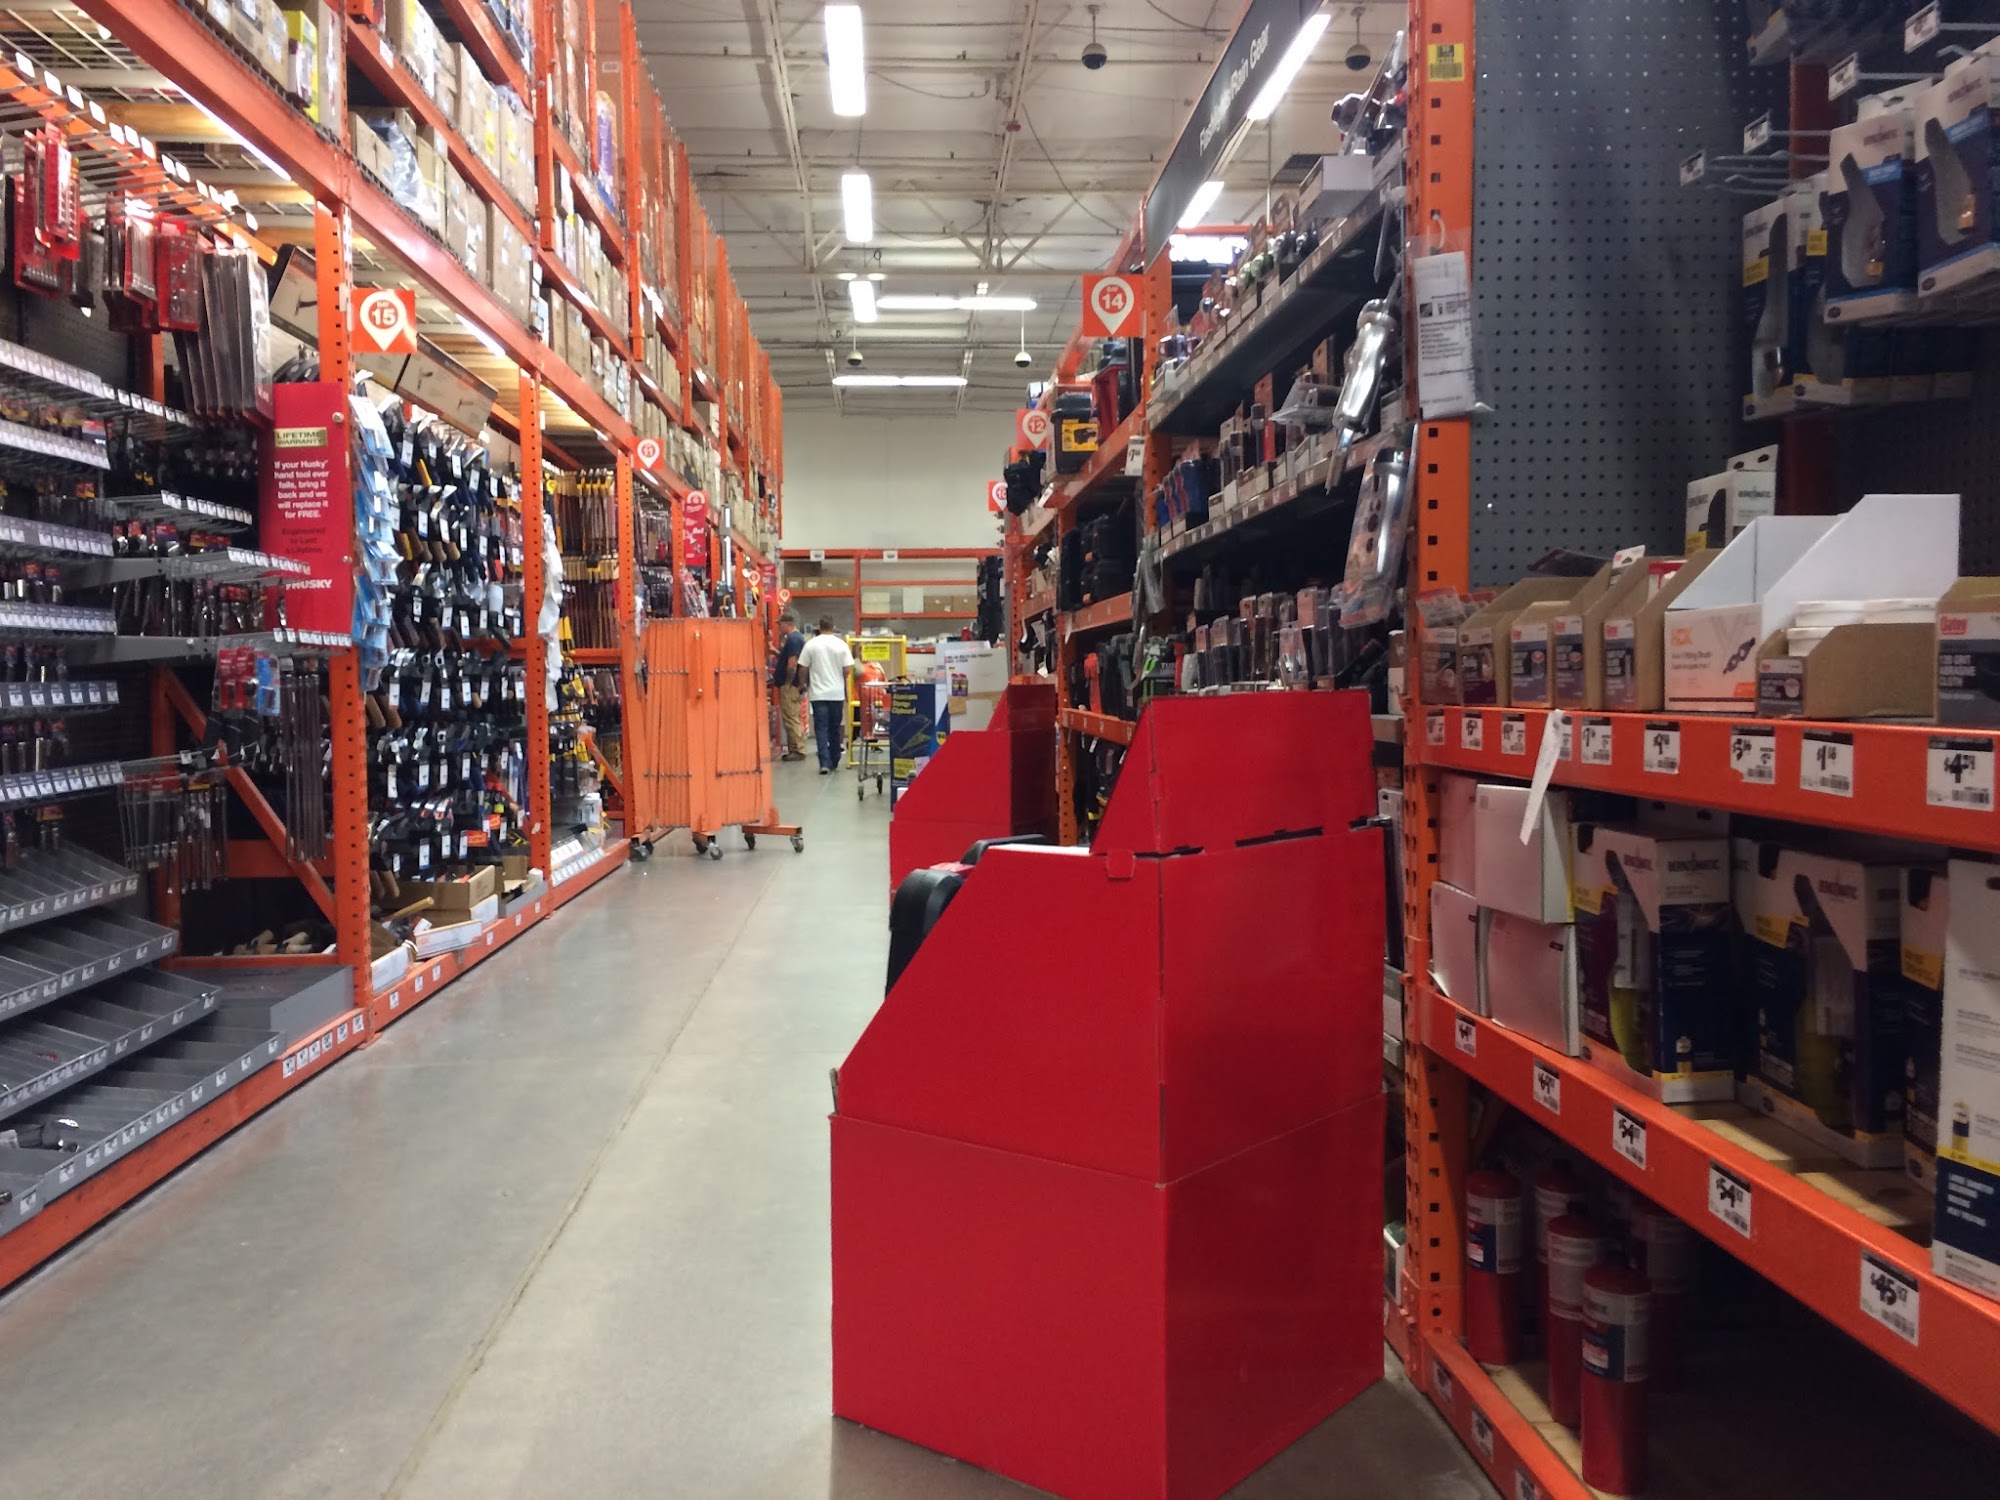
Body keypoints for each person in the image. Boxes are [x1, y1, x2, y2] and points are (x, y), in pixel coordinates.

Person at [796, 617, 856, 774]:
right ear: (833, 627)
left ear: (819, 627)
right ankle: (835, 760)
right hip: (836, 694)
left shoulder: (811, 644)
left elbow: (802, 668)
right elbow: (847, 670)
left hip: (818, 694)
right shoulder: (841, 644)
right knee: (835, 728)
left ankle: (824, 763)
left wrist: (803, 684)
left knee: (821, 728)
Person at [770, 611, 807, 761]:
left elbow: (792, 663)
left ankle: (798, 749)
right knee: (792, 716)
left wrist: (787, 683)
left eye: (780, 624)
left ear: (788, 624)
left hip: (790, 686)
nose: (779, 627)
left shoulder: (793, 639)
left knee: (791, 717)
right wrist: (776, 652)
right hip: (794, 684)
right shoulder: (795, 639)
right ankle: (795, 748)